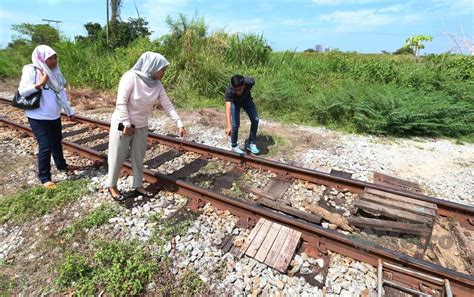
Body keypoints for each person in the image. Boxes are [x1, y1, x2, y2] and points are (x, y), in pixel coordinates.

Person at [107, 52, 186, 201]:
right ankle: (112, 185)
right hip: (122, 124)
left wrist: (179, 122)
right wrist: (126, 123)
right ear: (153, 67)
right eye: (162, 69)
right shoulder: (130, 77)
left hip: (141, 126)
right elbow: (121, 102)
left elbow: (167, 104)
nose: (164, 73)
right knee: (117, 156)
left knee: (138, 157)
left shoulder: (157, 85)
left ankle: (138, 185)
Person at [18, 45, 78, 189]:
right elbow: (22, 91)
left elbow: (61, 93)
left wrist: (69, 110)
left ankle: (62, 165)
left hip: (54, 115)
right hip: (37, 116)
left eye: (55, 57)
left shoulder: (55, 72)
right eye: (49, 58)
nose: (53, 61)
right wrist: (39, 85)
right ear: (41, 58)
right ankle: (45, 178)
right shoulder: (31, 70)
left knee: (57, 141)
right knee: (45, 145)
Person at [224, 74, 260, 155]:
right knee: (235, 125)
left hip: (247, 100)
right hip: (235, 103)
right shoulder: (229, 91)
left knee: (255, 120)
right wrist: (228, 126)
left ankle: (251, 144)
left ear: (244, 85)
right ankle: (234, 146)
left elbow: (251, 78)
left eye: (240, 89)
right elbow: (228, 109)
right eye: (235, 90)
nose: (238, 92)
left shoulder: (250, 82)